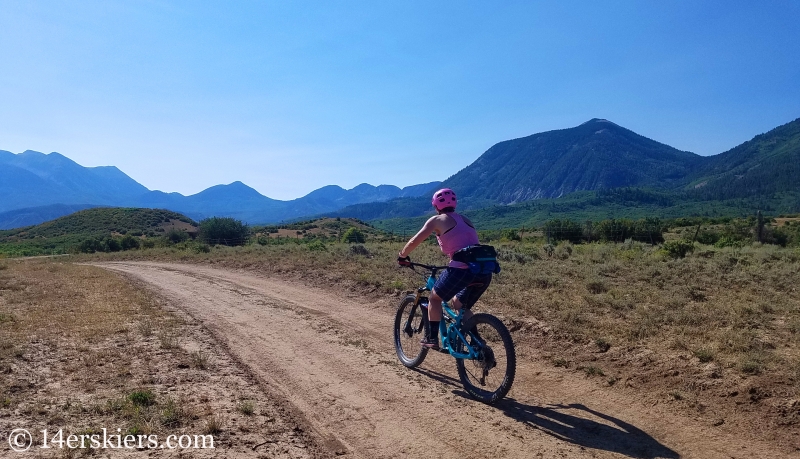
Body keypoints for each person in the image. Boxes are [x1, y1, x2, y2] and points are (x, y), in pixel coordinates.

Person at [397, 188, 492, 350]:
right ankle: (477, 344)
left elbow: (414, 241)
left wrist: (402, 255)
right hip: (483, 270)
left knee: (434, 299)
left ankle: (431, 338)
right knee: (460, 304)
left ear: (435, 205)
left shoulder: (436, 220)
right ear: (455, 204)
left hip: (461, 270)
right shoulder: (466, 219)